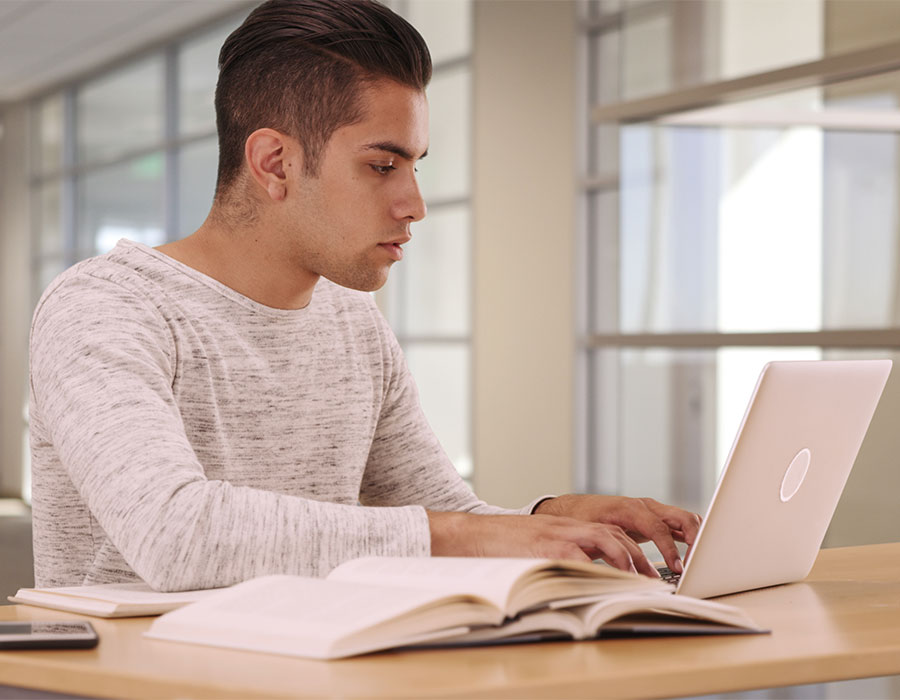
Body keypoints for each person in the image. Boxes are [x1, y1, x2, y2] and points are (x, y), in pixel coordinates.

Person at [29, 0, 700, 592]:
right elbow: (175, 532)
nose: (414, 204)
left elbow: (438, 515)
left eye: (414, 166)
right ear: (275, 164)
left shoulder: (352, 322)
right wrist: (473, 536)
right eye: (382, 166)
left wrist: (551, 521)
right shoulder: (104, 309)